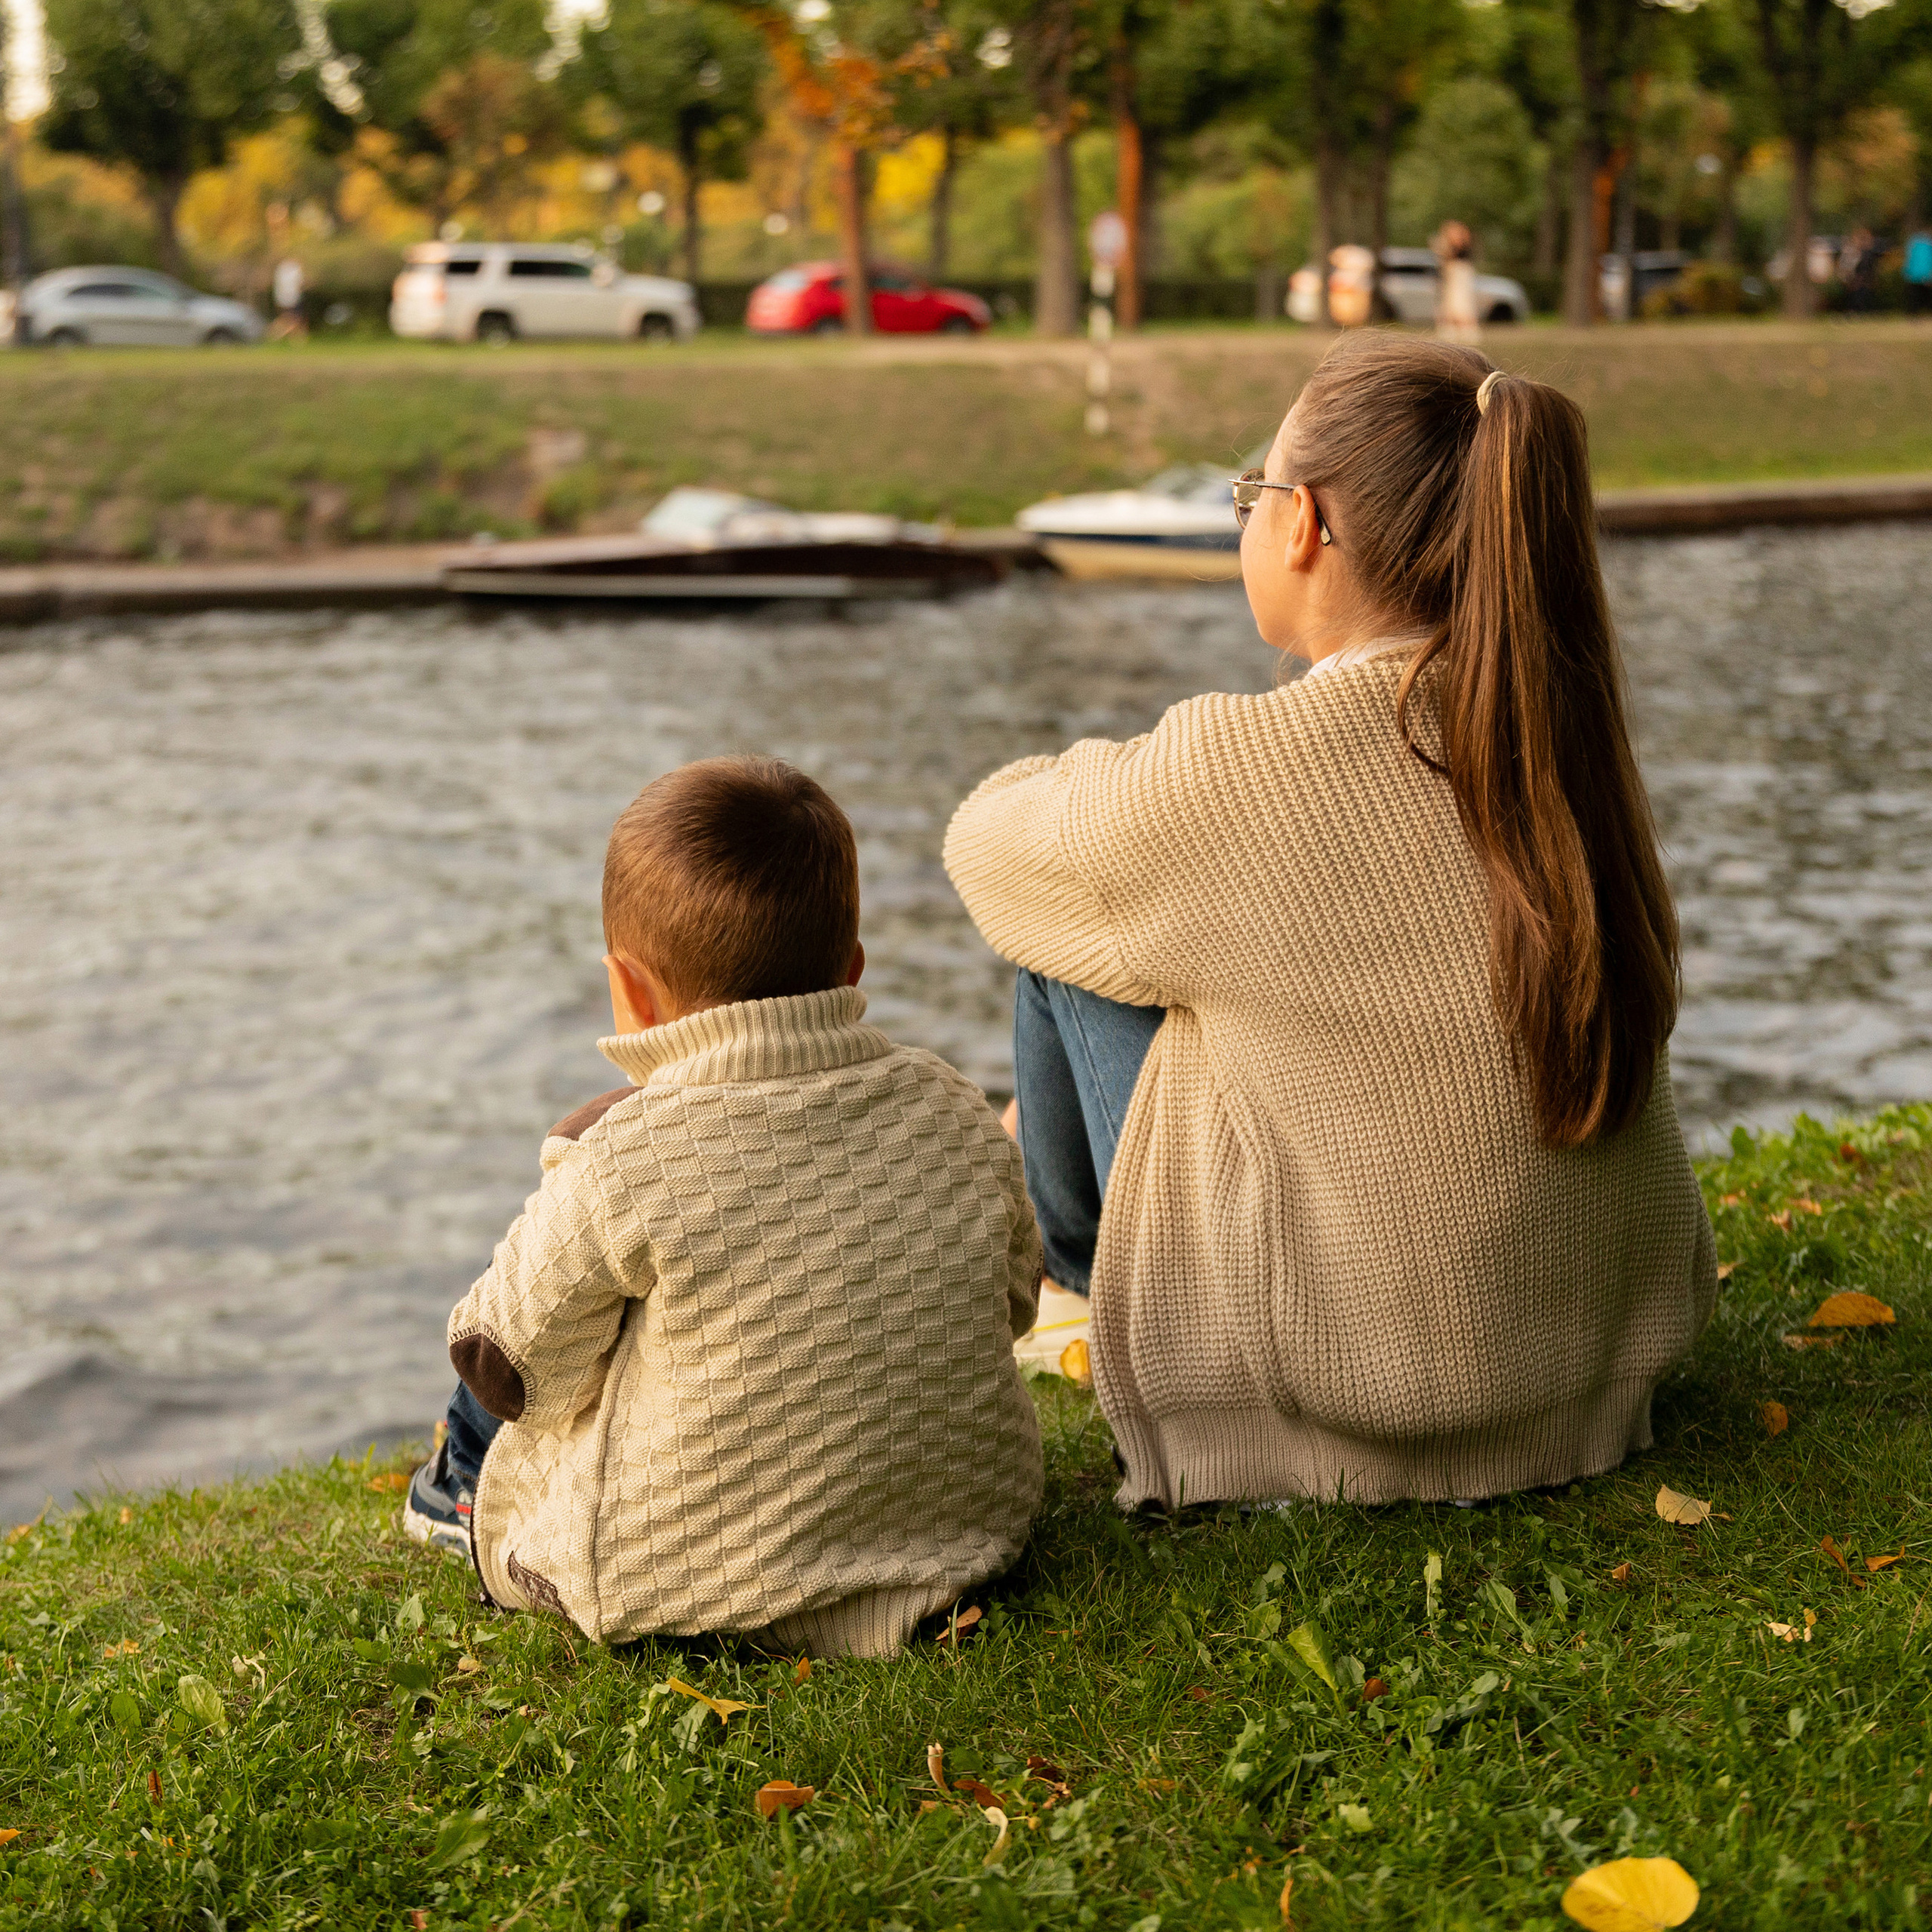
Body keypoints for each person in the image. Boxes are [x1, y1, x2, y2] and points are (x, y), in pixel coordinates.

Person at [944, 332, 1715, 1512]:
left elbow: (986, 847)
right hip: (1594, 1372)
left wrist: (1133, 768)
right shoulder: (1555, 730)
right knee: (1175, 936)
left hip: (1355, 1392)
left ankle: (1074, 1287)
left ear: (1300, 523)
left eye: (1248, 495)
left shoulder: (1242, 768)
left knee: (1074, 944)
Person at [405, 756, 1044, 1656]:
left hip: (687, 1584)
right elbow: (1014, 1302)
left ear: (627, 988)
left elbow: (505, 1360)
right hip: (960, 1540)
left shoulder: (624, 1156)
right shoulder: (951, 1106)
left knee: (527, 1329)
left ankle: (449, 1492)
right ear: (852, 966)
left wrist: (570, 1164)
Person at [1433, 220, 1480, 342]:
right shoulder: (1447, 245)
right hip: (1452, 274)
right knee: (1450, 302)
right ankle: (1451, 327)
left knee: (1462, 302)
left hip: (1460, 274)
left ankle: (1466, 328)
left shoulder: (1463, 244)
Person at [269, 256, 306, 340]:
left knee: (290, 318)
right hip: (292, 298)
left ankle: (295, 339)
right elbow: (299, 284)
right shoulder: (294, 269)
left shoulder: (281, 269)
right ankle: (274, 334)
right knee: (293, 319)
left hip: (282, 298)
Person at [1905, 224, 1932, 317]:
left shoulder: (1913, 243)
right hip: (1924, 274)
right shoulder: (1928, 244)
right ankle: (1920, 312)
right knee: (1924, 295)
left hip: (1913, 274)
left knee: (1914, 296)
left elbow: (1909, 258)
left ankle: (1913, 314)